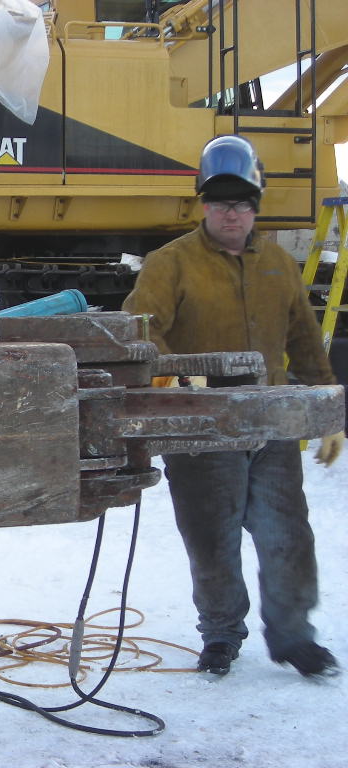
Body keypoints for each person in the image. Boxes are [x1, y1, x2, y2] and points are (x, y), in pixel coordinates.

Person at [122, 134, 345, 678]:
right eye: (220, 201)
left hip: (270, 426)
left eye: (242, 202)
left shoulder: (279, 266)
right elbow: (140, 331)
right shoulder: (168, 263)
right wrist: (182, 374)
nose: (231, 212)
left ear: (256, 207)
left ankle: (294, 637)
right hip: (203, 429)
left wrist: (329, 412)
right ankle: (221, 634)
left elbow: (304, 339)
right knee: (211, 538)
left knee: (287, 533)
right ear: (203, 203)